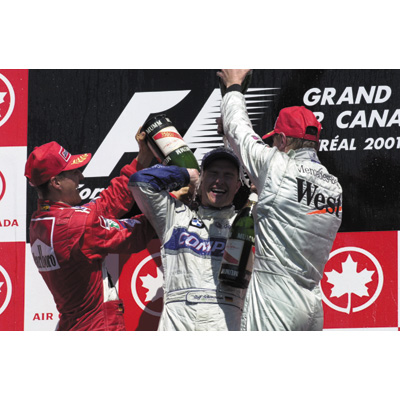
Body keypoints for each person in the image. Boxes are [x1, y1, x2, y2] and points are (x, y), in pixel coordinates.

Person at [217, 69, 343, 331]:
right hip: (312, 303)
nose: (272, 146)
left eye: (274, 140)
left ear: (283, 140)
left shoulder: (278, 166)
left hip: (276, 299)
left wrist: (233, 87)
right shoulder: (334, 186)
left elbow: (240, 130)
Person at [25, 131, 156, 331]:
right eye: (73, 172)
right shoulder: (75, 225)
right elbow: (134, 235)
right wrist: (168, 205)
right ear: (56, 183)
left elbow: (107, 203)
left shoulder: (40, 222)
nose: (81, 176)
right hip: (98, 328)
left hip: (74, 326)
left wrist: (142, 159)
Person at [128, 146, 247, 330]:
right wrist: (186, 175)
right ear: (201, 179)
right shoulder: (175, 216)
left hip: (225, 320)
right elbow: (140, 182)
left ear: (238, 186)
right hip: (179, 322)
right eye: (213, 173)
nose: (219, 181)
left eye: (228, 175)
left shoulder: (246, 225)